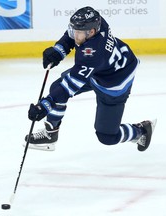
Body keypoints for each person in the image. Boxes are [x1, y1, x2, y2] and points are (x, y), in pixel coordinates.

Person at [25, 6, 156, 151]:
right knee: (56, 88)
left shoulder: (92, 55)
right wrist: (58, 51)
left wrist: (44, 106)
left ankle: (141, 131)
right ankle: (51, 134)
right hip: (102, 69)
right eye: (76, 31)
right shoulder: (98, 23)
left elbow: (69, 86)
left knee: (107, 137)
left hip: (114, 84)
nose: (76, 36)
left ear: (91, 32)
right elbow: (70, 35)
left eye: (79, 34)